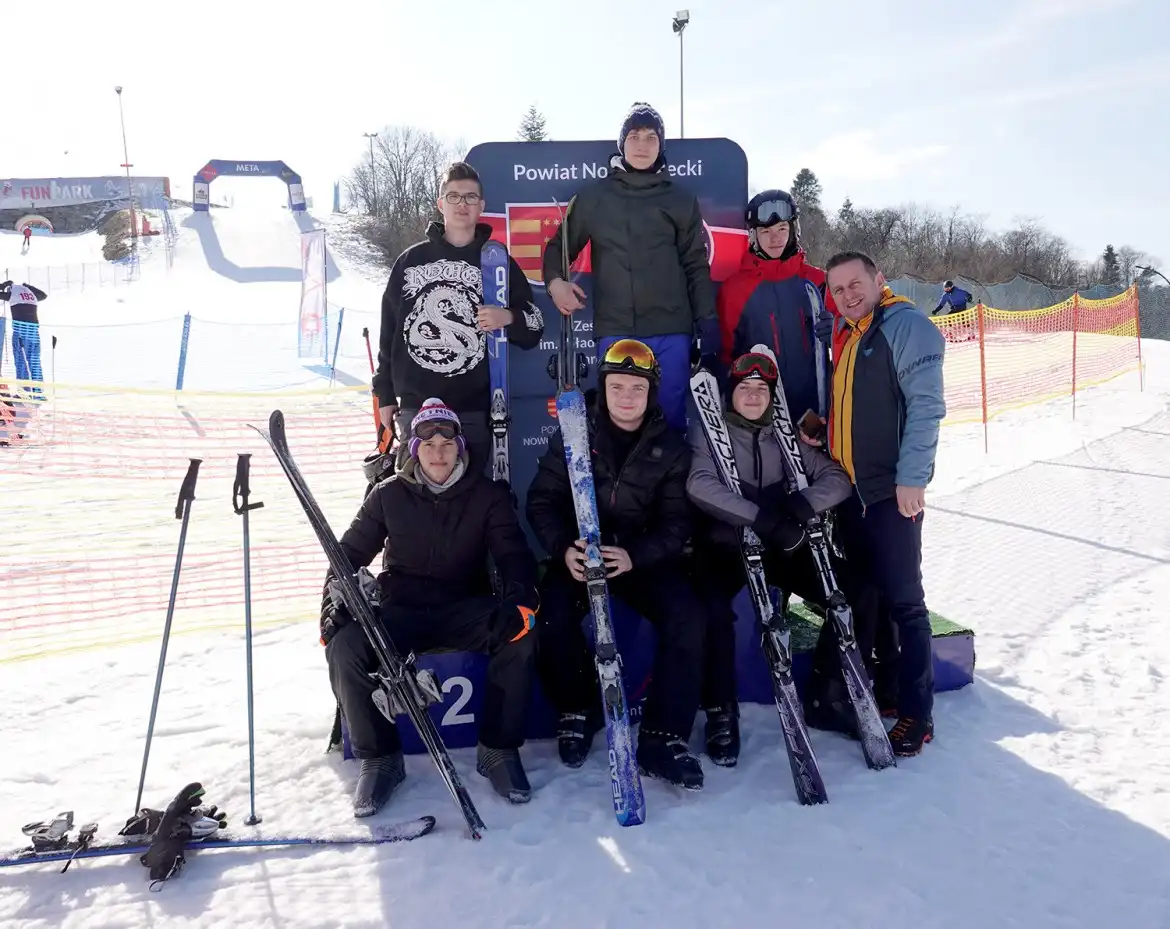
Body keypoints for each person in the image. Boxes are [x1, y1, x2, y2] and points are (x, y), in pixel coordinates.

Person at [321, 399, 541, 815]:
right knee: (346, 644)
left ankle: (498, 750)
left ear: (460, 447)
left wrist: (520, 600)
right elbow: (346, 555)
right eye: (427, 442)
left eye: (446, 441)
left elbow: (514, 556)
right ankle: (381, 758)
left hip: (463, 606)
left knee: (520, 634)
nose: (438, 451)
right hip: (401, 607)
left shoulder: (488, 496)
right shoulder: (386, 495)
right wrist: (332, 604)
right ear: (413, 449)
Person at [525, 339, 707, 789]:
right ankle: (578, 705)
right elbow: (542, 501)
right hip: (581, 555)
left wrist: (634, 556)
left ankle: (663, 737)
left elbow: (676, 523)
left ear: (651, 393)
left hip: (639, 560)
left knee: (687, 617)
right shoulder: (573, 433)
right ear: (603, 388)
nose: (627, 397)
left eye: (637, 389)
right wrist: (562, 548)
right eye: (618, 386)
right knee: (552, 615)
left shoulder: (672, 448)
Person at [685, 349, 876, 765]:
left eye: (761, 389)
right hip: (726, 544)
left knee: (859, 591)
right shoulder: (708, 431)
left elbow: (837, 479)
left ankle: (828, 693)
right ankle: (721, 711)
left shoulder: (783, 433)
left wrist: (800, 507)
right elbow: (700, 485)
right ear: (730, 393)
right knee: (712, 611)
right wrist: (758, 517)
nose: (753, 396)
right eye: (745, 388)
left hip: (780, 545)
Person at [822, 251, 947, 756]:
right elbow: (853, 409)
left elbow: (926, 407)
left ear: (879, 279)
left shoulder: (905, 325)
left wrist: (913, 480)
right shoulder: (852, 335)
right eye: (838, 290)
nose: (847, 295)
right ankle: (889, 689)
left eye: (855, 284)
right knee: (869, 594)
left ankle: (918, 715)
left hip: (892, 493)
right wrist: (824, 434)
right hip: (855, 494)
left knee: (905, 603)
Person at [541, 102, 719, 431]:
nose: (642, 145)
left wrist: (707, 325)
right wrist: (555, 283)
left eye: (651, 137)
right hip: (616, 329)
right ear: (621, 144)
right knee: (619, 422)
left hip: (671, 332)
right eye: (634, 136)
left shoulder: (679, 200)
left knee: (669, 421)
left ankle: (671, 483)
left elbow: (696, 265)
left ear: (661, 146)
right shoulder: (595, 198)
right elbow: (557, 249)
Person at [371, 162, 545, 474]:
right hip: (417, 405)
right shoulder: (411, 261)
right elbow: (389, 331)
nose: (461, 204)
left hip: (473, 409)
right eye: (453, 197)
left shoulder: (497, 263)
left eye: (469, 197)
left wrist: (508, 316)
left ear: (482, 206)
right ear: (440, 204)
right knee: (414, 497)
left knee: (471, 502)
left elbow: (534, 325)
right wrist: (384, 394)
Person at [716, 189, 834, 426]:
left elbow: (855, 339)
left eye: (782, 229)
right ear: (754, 235)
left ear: (793, 230)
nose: (775, 238)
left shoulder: (819, 282)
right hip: (761, 415)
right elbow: (726, 354)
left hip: (815, 413)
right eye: (765, 231)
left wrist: (838, 330)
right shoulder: (735, 289)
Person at [0, 280, 47, 387]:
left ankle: (24, 390)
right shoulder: (32, 295)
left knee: (20, 360)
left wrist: (4, 285)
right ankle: (38, 391)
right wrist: (28, 286)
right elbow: (43, 295)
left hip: (20, 330)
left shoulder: (13, 294)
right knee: (34, 361)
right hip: (34, 331)